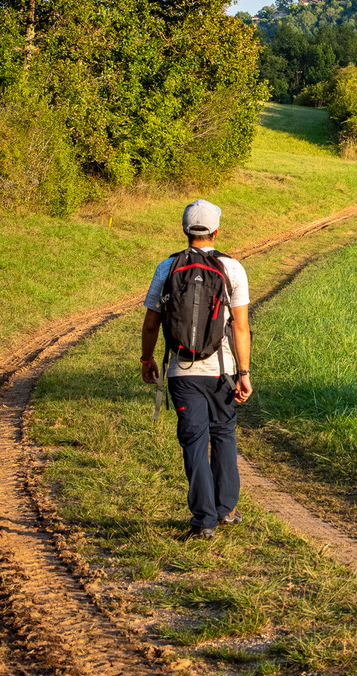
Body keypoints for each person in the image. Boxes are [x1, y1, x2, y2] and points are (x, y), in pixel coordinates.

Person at [140, 199, 252, 540]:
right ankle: (226, 510)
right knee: (223, 434)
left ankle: (203, 521)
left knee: (194, 442)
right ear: (216, 231)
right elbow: (241, 327)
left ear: (186, 230)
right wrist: (244, 373)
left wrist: (147, 359)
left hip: (182, 371)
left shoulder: (166, 267)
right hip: (222, 370)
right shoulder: (232, 269)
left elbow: (151, 322)